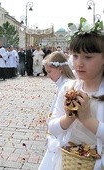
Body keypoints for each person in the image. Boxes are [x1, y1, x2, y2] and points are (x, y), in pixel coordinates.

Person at [39, 18, 104, 170]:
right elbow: (53, 127)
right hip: (70, 161)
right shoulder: (68, 88)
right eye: (75, 56)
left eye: (88, 57)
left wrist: (87, 119)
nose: (79, 63)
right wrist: (68, 118)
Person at [39, 51, 75, 169]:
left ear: (60, 69)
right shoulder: (61, 84)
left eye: (49, 72)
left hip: (63, 134)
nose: (48, 75)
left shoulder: (66, 86)